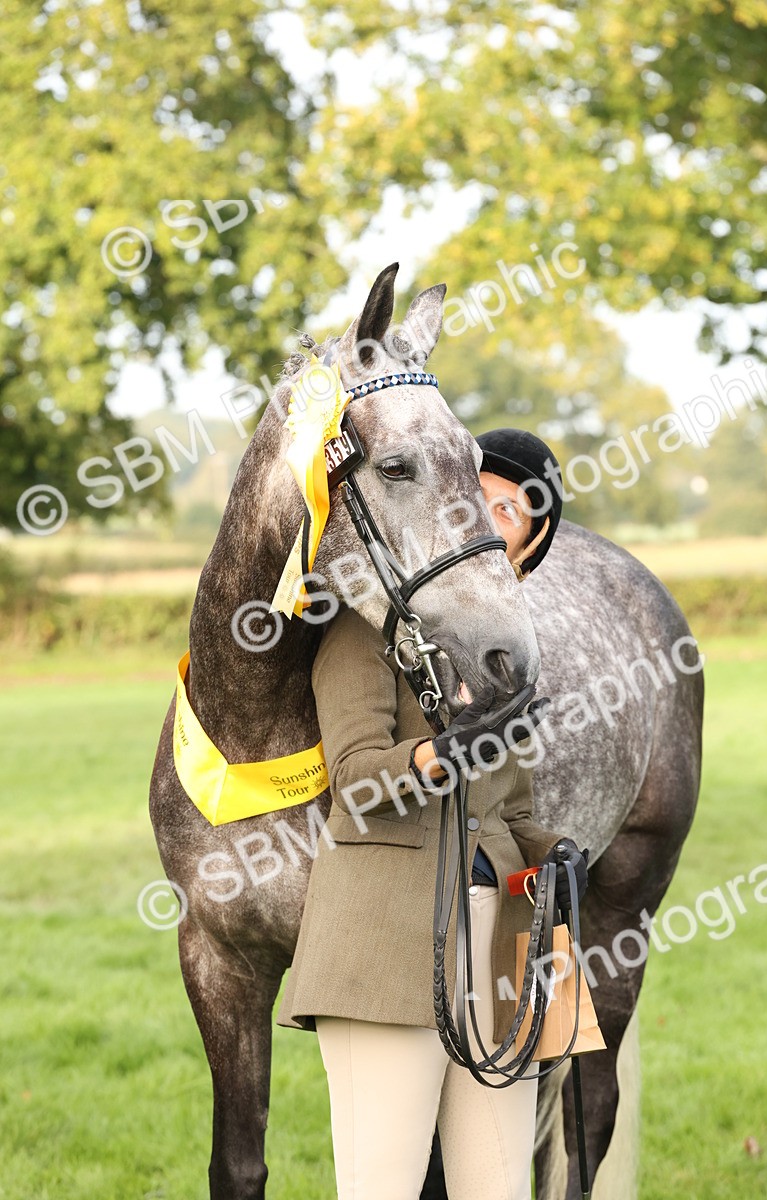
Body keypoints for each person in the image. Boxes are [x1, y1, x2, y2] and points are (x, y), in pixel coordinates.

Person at [276, 427, 588, 1200]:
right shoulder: (364, 625)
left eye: (510, 511)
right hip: (383, 946)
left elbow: (507, 813)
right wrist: (436, 756)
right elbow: (351, 779)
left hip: (504, 951)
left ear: (530, 543)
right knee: (383, 1187)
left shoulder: (506, 661)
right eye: (476, 498)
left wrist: (559, 853)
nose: (486, 516)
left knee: (498, 1189)